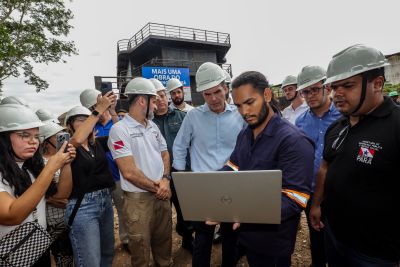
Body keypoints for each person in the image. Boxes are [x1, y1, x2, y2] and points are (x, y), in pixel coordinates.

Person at [310, 44, 400, 266]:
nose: (336, 94)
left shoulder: (396, 126)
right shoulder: (336, 127)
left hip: (376, 254)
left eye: (347, 86)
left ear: (377, 84)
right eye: (334, 86)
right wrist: (317, 204)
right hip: (336, 238)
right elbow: (325, 166)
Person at [221, 71, 314, 266]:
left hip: (273, 241)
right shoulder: (245, 134)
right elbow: (233, 166)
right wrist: (215, 195)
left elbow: (295, 197)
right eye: (238, 106)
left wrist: (246, 211)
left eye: (249, 102)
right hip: (246, 234)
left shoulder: (293, 141)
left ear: (267, 95)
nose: (244, 112)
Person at [173, 62, 244, 267]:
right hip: (202, 186)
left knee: (231, 236)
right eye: (207, 94)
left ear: (226, 88)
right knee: (203, 238)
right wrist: (183, 179)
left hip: (233, 184)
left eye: (217, 92)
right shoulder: (193, 116)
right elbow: (179, 146)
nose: (213, 98)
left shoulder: (240, 116)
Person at [108, 77, 172, 267]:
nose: (156, 104)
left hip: (162, 193)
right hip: (139, 200)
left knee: (164, 242)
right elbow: (129, 172)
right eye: (153, 100)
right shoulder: (119, 130)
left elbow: (165, 154)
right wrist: (158, 187)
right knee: (141, 248)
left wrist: (166, 179)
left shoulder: (153, 126)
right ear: (142, 101)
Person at [0, 104, 75, 267]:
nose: (33, 141)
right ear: (4, 137)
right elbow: (12, 215)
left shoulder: (30, 167)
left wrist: (66, 163)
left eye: (36, 136)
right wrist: (50, 168)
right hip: (9, 255)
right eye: (24, 135)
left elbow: (60, 194)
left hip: (36, 247)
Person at [294, 65, 341, 267]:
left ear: (326, 87)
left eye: (315, 89)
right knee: (316, 234)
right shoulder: (300, 122)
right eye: (306, 91)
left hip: (338, 191)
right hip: (311, 190)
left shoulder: (344, 117)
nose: (310, 95)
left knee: (340, 238)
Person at [65, 91, 116, 267]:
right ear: (70, 125)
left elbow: (119, 133)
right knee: (90, 262)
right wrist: (99, 109)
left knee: (107, 254)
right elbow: (78, 139)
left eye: (85, 118)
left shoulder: (97, 144)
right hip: (83, 207)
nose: (84, 121)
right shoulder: (68, 146)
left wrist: (113, 112)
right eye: (79, 119)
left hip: (105, 201)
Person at [79, 88, 129, 250]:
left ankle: (126, 240)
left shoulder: (118, 119)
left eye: (97, 106)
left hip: (119, 176)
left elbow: (123, 135)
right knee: (102, 213)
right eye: (92, 108)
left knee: (124, 211)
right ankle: (102, 243)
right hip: (100, 180)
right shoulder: (90, 127)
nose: (96, 110)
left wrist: (113, 112)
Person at [151, 78, 194, 253]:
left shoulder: (183, 117)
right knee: (162, 213)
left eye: (162, 95)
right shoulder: (147, 123)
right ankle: (163, 248)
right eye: (155, 97)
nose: (160, 99)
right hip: (158, 175)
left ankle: (187, 237)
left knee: (185, 208)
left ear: (167, 97)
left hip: (181, 171)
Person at [39, 121, 75, 266]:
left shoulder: (68, 157)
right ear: (47, 141)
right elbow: (46, 196)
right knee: (64, 257)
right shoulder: (39, 162)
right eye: (57, 137)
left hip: (72, 216)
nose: (63, 139)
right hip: (55, 223)